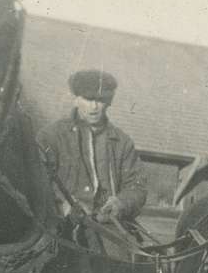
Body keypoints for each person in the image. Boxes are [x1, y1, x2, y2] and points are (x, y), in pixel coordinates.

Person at [36, 70, 148, 226]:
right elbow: (37, 181)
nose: (94, 106)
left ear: (109, 101)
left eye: (100, 100)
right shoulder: (51, 137)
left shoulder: (122, 143)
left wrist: (121, 204)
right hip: (61, 224)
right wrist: (62, 205)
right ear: (76, 99)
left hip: (109, 226)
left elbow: (137, 186)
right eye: (88, 99)